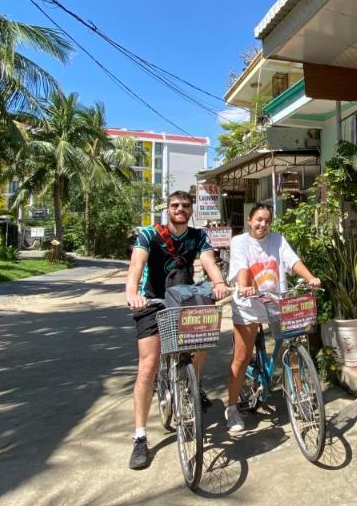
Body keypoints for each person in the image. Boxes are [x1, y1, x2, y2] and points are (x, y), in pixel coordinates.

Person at [125, 189, 229, 470]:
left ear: (191, 209)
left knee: (203, 337)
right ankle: (140, 436)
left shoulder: (198, 236)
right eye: (175, 205)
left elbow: (208, 262)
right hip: (152, 301)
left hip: (183, 298)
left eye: (185, 205)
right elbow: (137, 264)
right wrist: (132, 292)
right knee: (148, 365)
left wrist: (218, 282)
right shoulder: (149, 234)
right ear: (167, 209)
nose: (180, 209)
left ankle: (192, 384)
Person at [226, 202, 321, 435]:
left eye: (267, 220)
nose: (263, 224)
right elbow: (241, 266)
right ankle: (231, 408)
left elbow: (292, 261)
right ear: (249, 220)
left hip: (277, 302)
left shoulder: (277, 239)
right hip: (248, 305)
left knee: (293, 350)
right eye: (259, 219)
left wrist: (310, 277)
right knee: (242, 356)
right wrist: (244, 286)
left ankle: (299, 396)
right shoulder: (239, 241)